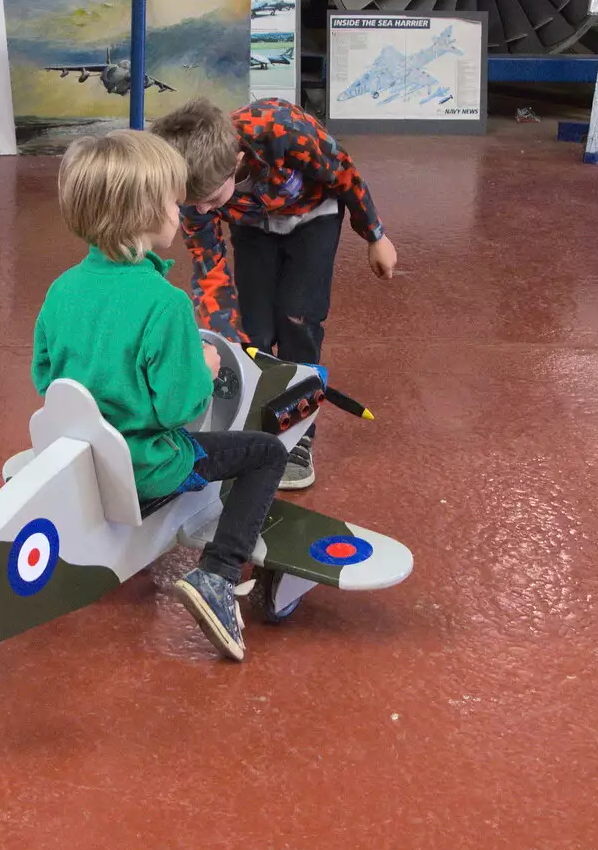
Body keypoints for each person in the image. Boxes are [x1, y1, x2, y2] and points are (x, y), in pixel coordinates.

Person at [32, 129, 289, 661]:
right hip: (147, 469)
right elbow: (182, 408)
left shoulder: (61, 289)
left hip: (83, 462)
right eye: (174, 201)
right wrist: (204, 366)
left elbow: (45, 378)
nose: (181, 211)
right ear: (147, 211)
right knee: (267, 453)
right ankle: (218, 575)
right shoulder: (165, 304)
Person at [149, 97, 397, 490]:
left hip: (314, 216)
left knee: (298, 319)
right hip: (252, 228)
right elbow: (209, 266)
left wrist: (375, 235)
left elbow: (344, 173)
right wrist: (224, 339)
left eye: (210, 200)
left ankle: (297, 437)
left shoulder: (281, 126)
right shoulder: (196, 193)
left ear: (235, 161)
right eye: (191, 204)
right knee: (254, 333)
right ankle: (256, 430)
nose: (201, 208)